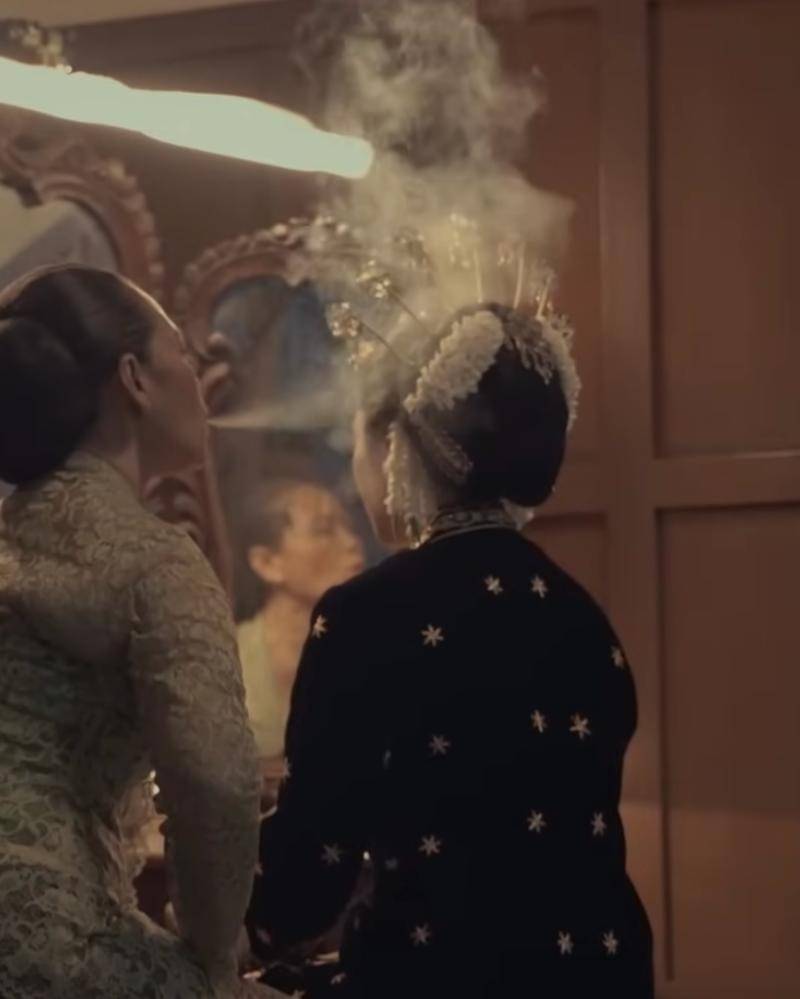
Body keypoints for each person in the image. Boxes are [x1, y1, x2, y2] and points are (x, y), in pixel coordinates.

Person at [246, 299, 654, 997]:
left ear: (397, 448)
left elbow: (311, 875)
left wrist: (233, 919)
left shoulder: (365, 614)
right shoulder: (582, 616)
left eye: (357, 446)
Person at [0, 266, 277, 999]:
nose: (199, 377)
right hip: (40, 929)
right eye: (182, 351)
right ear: (135, 379)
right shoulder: (157, 559)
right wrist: (213, 943)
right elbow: (216, 778)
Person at [235, 479, 364, 796]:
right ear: (268, 563)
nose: (352, 543)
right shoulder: (229, 659)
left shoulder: (373, 648)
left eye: (348, 528)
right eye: (323, 530)